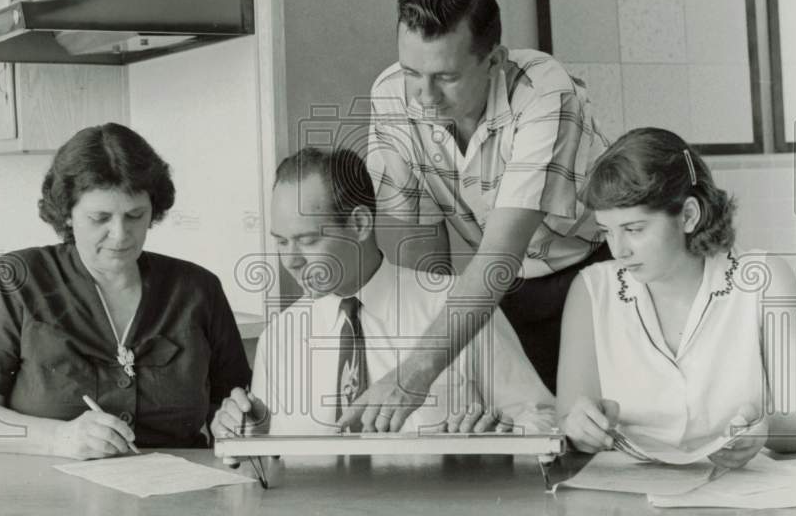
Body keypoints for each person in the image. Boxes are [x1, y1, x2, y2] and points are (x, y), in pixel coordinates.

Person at [350, 0, 608, 432]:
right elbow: (423, 239)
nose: (424, 96)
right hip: (489, 292)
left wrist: (414, 376)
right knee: (510, 433)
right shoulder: (391, 93)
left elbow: (498, 256)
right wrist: (444, 366)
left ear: (495, 61)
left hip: (584, 279)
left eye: (446, 77)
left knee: (584, 434)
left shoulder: (546, 91)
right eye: (413, 72)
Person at [0, 122, 251, 459]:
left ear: (154, 211)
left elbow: (232, 403)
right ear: (68, 215)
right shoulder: (17, 279)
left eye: (135, 215)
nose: (120, 235)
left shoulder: (198, 289)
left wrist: (237, 422)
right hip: (49, 500)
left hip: (183, 498)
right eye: (99, 218)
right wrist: (59, 438)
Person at [211, 147, 555, 440]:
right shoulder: (281, 336)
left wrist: (502, 440)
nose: (291, 260)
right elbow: (275, 459)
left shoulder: (459, 308)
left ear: (360, 224)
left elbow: (544, 421)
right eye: (281, 241)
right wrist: (252, 433)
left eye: (308, 240)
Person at [557, 127, 796, 467]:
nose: (619, 250)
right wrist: (579, 427)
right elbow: (567, 422)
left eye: (634, 229)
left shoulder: (766, 281)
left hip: (748, 498)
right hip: (631, 508)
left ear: (688, 215)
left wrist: (764, 429)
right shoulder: (591, 290)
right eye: (607, 231)